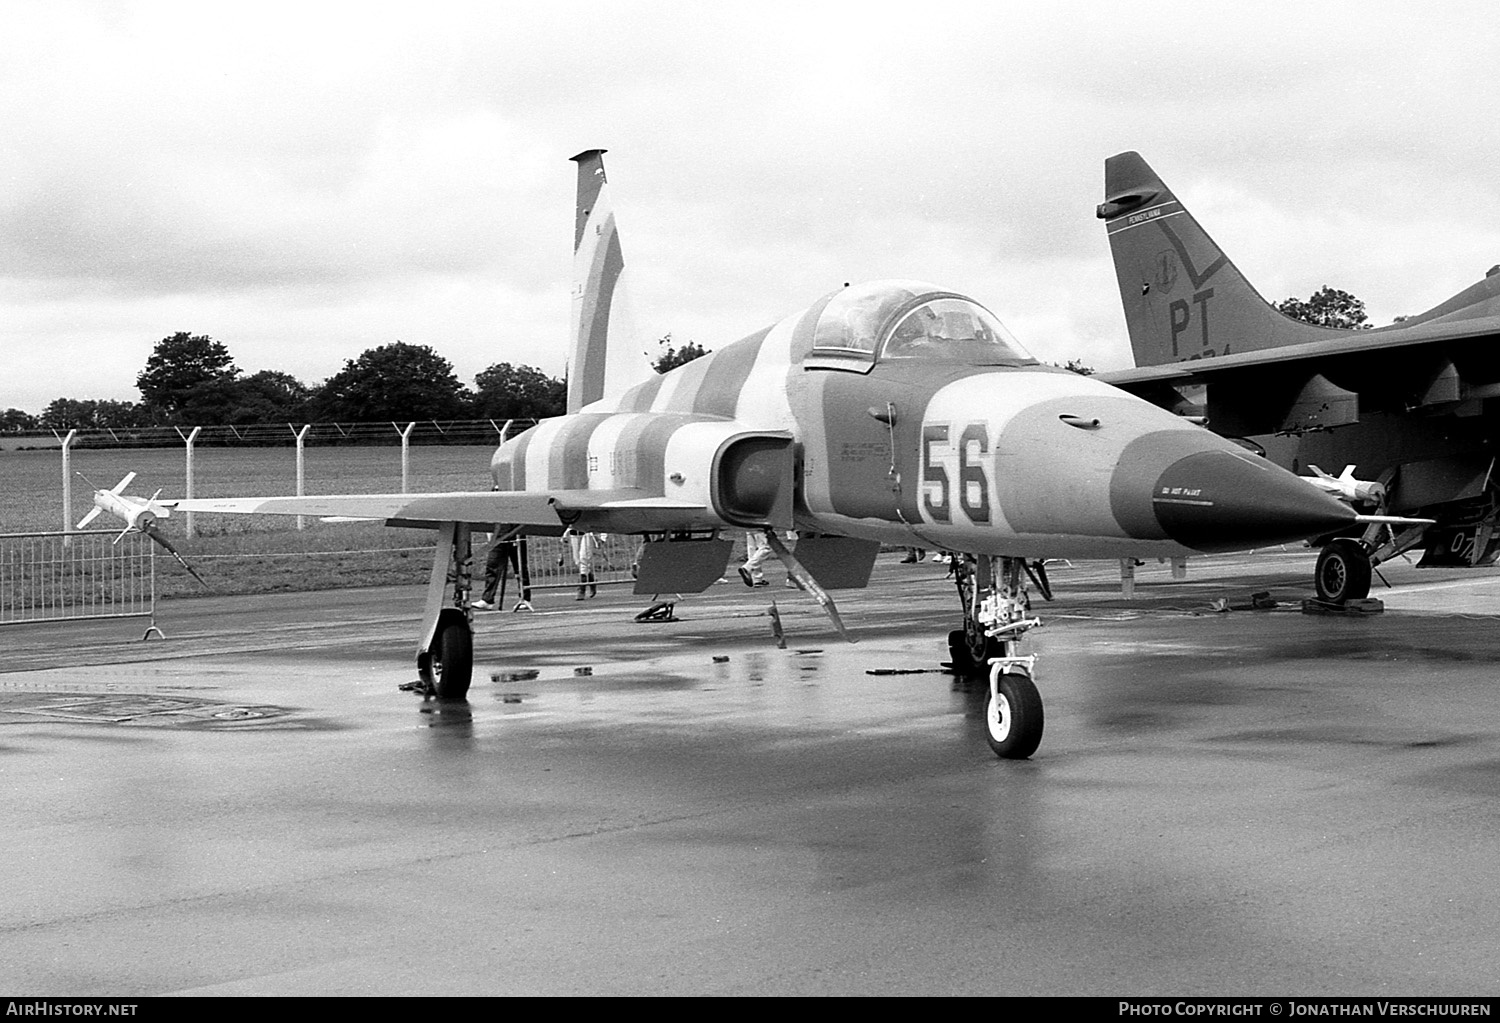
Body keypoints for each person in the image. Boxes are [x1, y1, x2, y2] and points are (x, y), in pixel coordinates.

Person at [471, 525, 532, 611]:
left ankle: (525, 598)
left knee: (520, 566)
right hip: (498, 534)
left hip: (516, 532)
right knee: (492, 566)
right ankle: (487, 599)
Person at [567, 528, 603, 600]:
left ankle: (581, 589)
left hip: (588, 532)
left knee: (584, 558)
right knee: (577, 561)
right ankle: (591, 580)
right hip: (574, 532)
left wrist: (600, 537)